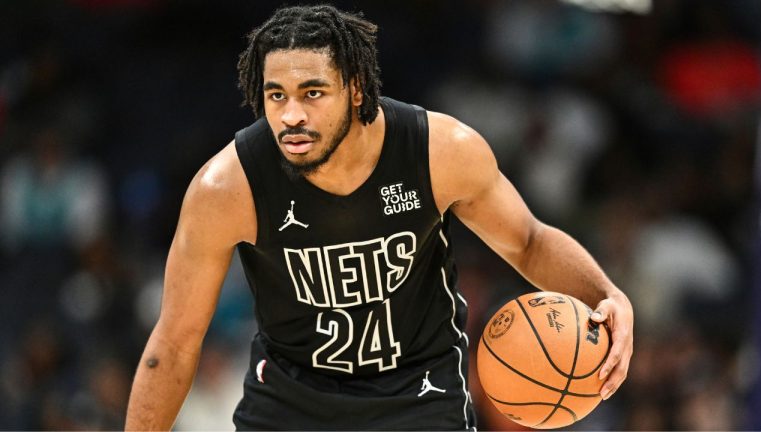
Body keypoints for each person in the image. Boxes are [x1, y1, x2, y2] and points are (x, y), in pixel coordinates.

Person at [125, 5, 634, 430]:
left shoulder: (439, 151)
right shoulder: (227, 188)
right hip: (290, 401)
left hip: (421, 391)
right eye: (276, 95)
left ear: (356, 88)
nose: (291, 115)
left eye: (312, 93)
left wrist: (606, 297)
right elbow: (173, 342)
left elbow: (528, 241)